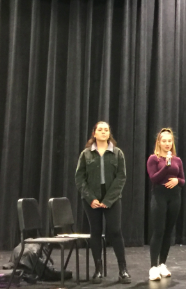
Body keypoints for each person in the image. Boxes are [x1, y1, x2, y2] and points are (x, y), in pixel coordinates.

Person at [75, 121, 131, 284]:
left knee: (115, 231)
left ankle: (123, 270)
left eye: (106, 130)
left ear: (109, 133)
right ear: (94, 133)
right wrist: (91, 198)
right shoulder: (85, 154)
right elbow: (79, 179)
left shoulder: (117, 153)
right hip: (91, 200)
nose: (103, 132)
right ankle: (98, 270)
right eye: (100, 130)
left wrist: (108, 200)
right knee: (96, 232)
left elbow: (121, 178)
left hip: (111, 199)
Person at [146, 128, 185, 281]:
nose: (167, 144)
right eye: (164, 141)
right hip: (160, 196)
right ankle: (153, 267)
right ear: (159, 143)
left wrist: (177, 181)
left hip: (174, 197)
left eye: (170, 141)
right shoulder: (153, 159)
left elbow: (183, 180)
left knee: (169, 231)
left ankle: (162, 264)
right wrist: (166, 166)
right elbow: (154, 178)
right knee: (159, 231)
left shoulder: (178, 160)